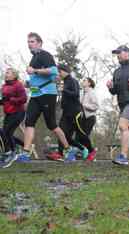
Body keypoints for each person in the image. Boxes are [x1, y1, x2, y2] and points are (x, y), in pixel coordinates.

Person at [2, 32, 75, 168]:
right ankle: (26, 152)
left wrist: (34, 70)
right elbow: (37, 79)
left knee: (52, 125)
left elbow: (53, 71)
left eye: (32, 41)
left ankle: (68, 148)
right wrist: (28, 83)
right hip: (35, 95)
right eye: (28, 42)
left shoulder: (45, 55)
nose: (29, 44)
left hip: (48, 94)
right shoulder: (34, 58)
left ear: (40, 43)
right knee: (29, 122)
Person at [56, 64, 92, 161]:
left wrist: (64, 90)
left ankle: (91, 150)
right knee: (62, 133)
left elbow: (75, 94)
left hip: (75, 113)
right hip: (66, 112)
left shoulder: (73, 81)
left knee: (80, 134)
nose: (58, 73)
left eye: (59, 71)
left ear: (65, 71)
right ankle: (60, 153)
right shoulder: (65, 82)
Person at [0, 68, 27, 164]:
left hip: (18, 112)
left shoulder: (18, 85)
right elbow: (4, 100)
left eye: (8, 73)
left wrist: (11, 99)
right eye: (5, 72)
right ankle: (16, 150)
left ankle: (9, 153)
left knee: (5, 132)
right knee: (7, 133)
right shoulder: (3, 86)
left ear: (14, 75)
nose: (6, 74)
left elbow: (24, 99)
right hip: (8, 113)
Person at [80, 77, 99, 161]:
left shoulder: (91, 92)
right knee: (79, 136)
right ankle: (87, 153)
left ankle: (92, 151)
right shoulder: (82, 93)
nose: (82, 81)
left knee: (84, 135)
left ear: (89, 83)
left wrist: (84, 105)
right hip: (82, 118)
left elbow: (96, 106)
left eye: (84, 80)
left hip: (90, 117)